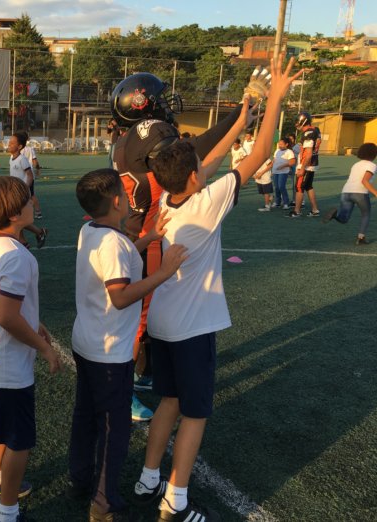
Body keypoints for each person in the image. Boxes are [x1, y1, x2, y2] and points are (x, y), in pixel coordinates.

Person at [133, 59, 301, 522]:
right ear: (192, 177)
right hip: (192, 327)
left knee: (168, 400)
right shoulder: (208, 202)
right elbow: (262, 150)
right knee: (195, 413)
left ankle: (148, 478)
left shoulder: (170, 197)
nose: (202, 166)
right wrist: (275, 102)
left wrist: (241, 115)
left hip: (164, 321)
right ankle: (176, 499)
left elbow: (201, 162)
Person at [110, 70, 261, 424]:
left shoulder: (128, 141)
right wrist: (236, 119)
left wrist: (238, 123)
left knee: (144, 322)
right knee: (139, 321)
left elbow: (200, 166)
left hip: (141, 235)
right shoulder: (152, 142)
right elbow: (199, 154)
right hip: (149, 241)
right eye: (159, 99)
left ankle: (142, 374)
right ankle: (122, 391)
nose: (166, 106)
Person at [68, 168, 186, 521]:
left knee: (85, 416)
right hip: (109, 351)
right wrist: (163, 273)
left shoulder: (90, 230)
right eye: (125, 190)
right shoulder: (114, 243)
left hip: (86, 341)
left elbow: (116, 263)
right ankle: (104, 505)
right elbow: (119, 297)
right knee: (113, 428)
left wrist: (149, 237)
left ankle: (80, 478)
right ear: (118, 200)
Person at [0, 176, 62, 521]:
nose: (32, 204)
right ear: (13, 213)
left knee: (3, 426)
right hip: (7, 359)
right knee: (19, 440)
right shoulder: (16, 257)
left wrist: (34, 323)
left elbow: (4, 308)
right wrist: (44, 348)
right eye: (27, 200)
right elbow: (8, 317)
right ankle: (8, 511)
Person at [323, 142, 377, 245]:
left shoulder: (356, 164)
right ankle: (361, 238)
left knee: (344, 218)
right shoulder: (372, 165)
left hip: (346, 192)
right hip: (360, 192)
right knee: (366, 214)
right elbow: (364, 181)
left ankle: (335, 215)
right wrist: (375, 192)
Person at [7, 133, 48, 248]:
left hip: (21, 194)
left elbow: (29, 175)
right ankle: (24, 242)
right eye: (9, 142)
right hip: (15, 193)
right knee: (15, 219)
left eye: (12, 143)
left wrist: (23, 188)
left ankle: (37, 234)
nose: (9, 145)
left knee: (15, 219)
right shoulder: (11, 158)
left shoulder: (22, 159)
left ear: (19, 147)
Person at [289, 112, 321, 218]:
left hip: (306, 164)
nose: (296, 124)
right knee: (308, 186)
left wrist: (302, 168)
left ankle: (297, 211)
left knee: (299, 187)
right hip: (312, 163)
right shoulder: (316, 130)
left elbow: (308, 153)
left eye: (298, 121)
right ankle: (315, 209)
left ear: (304, 121)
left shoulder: (308, 133)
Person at [16, 131, 44, 220]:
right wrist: (38, 169)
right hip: (29, 175)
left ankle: (19, 213)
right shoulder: (30, 148)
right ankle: (38, 212)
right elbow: (35, 161)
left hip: (20, 175)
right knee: (31, 194)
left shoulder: (18, 148)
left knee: (18, 195)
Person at [270, 138, 295, 209]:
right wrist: (271, 170)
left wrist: (283, 166)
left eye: (281, 144)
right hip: (275, 172)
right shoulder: (277, 151)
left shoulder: (289, 151)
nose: (279, 145)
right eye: (279, 144)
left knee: (281, 186)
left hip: (283, 172)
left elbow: (292, 162)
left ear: (286, 144)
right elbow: (274, 160)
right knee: (277, 187)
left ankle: (286, 202)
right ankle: (277, 202)